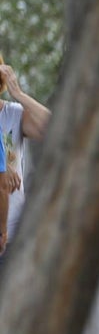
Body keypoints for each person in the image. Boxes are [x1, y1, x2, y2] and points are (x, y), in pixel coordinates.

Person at [0, 60, 51, 262]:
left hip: (12, 236)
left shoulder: (12, 113)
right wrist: (3, 173)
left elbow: (54, 129)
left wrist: (19, 95)